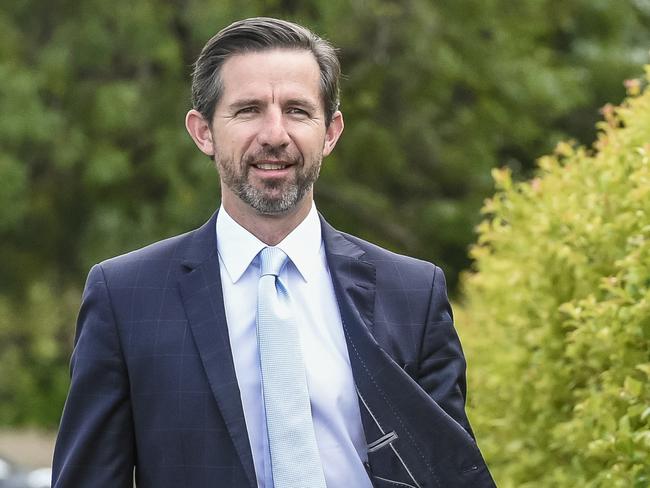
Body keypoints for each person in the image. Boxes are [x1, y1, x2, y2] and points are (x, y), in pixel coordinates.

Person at [52, 17, 495, 488]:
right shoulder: (125, 298)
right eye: (248, 110)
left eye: (298, 111)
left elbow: (451, 475)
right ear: (202, 132)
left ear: (330, 132)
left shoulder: (412, 294)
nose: (275, 134)